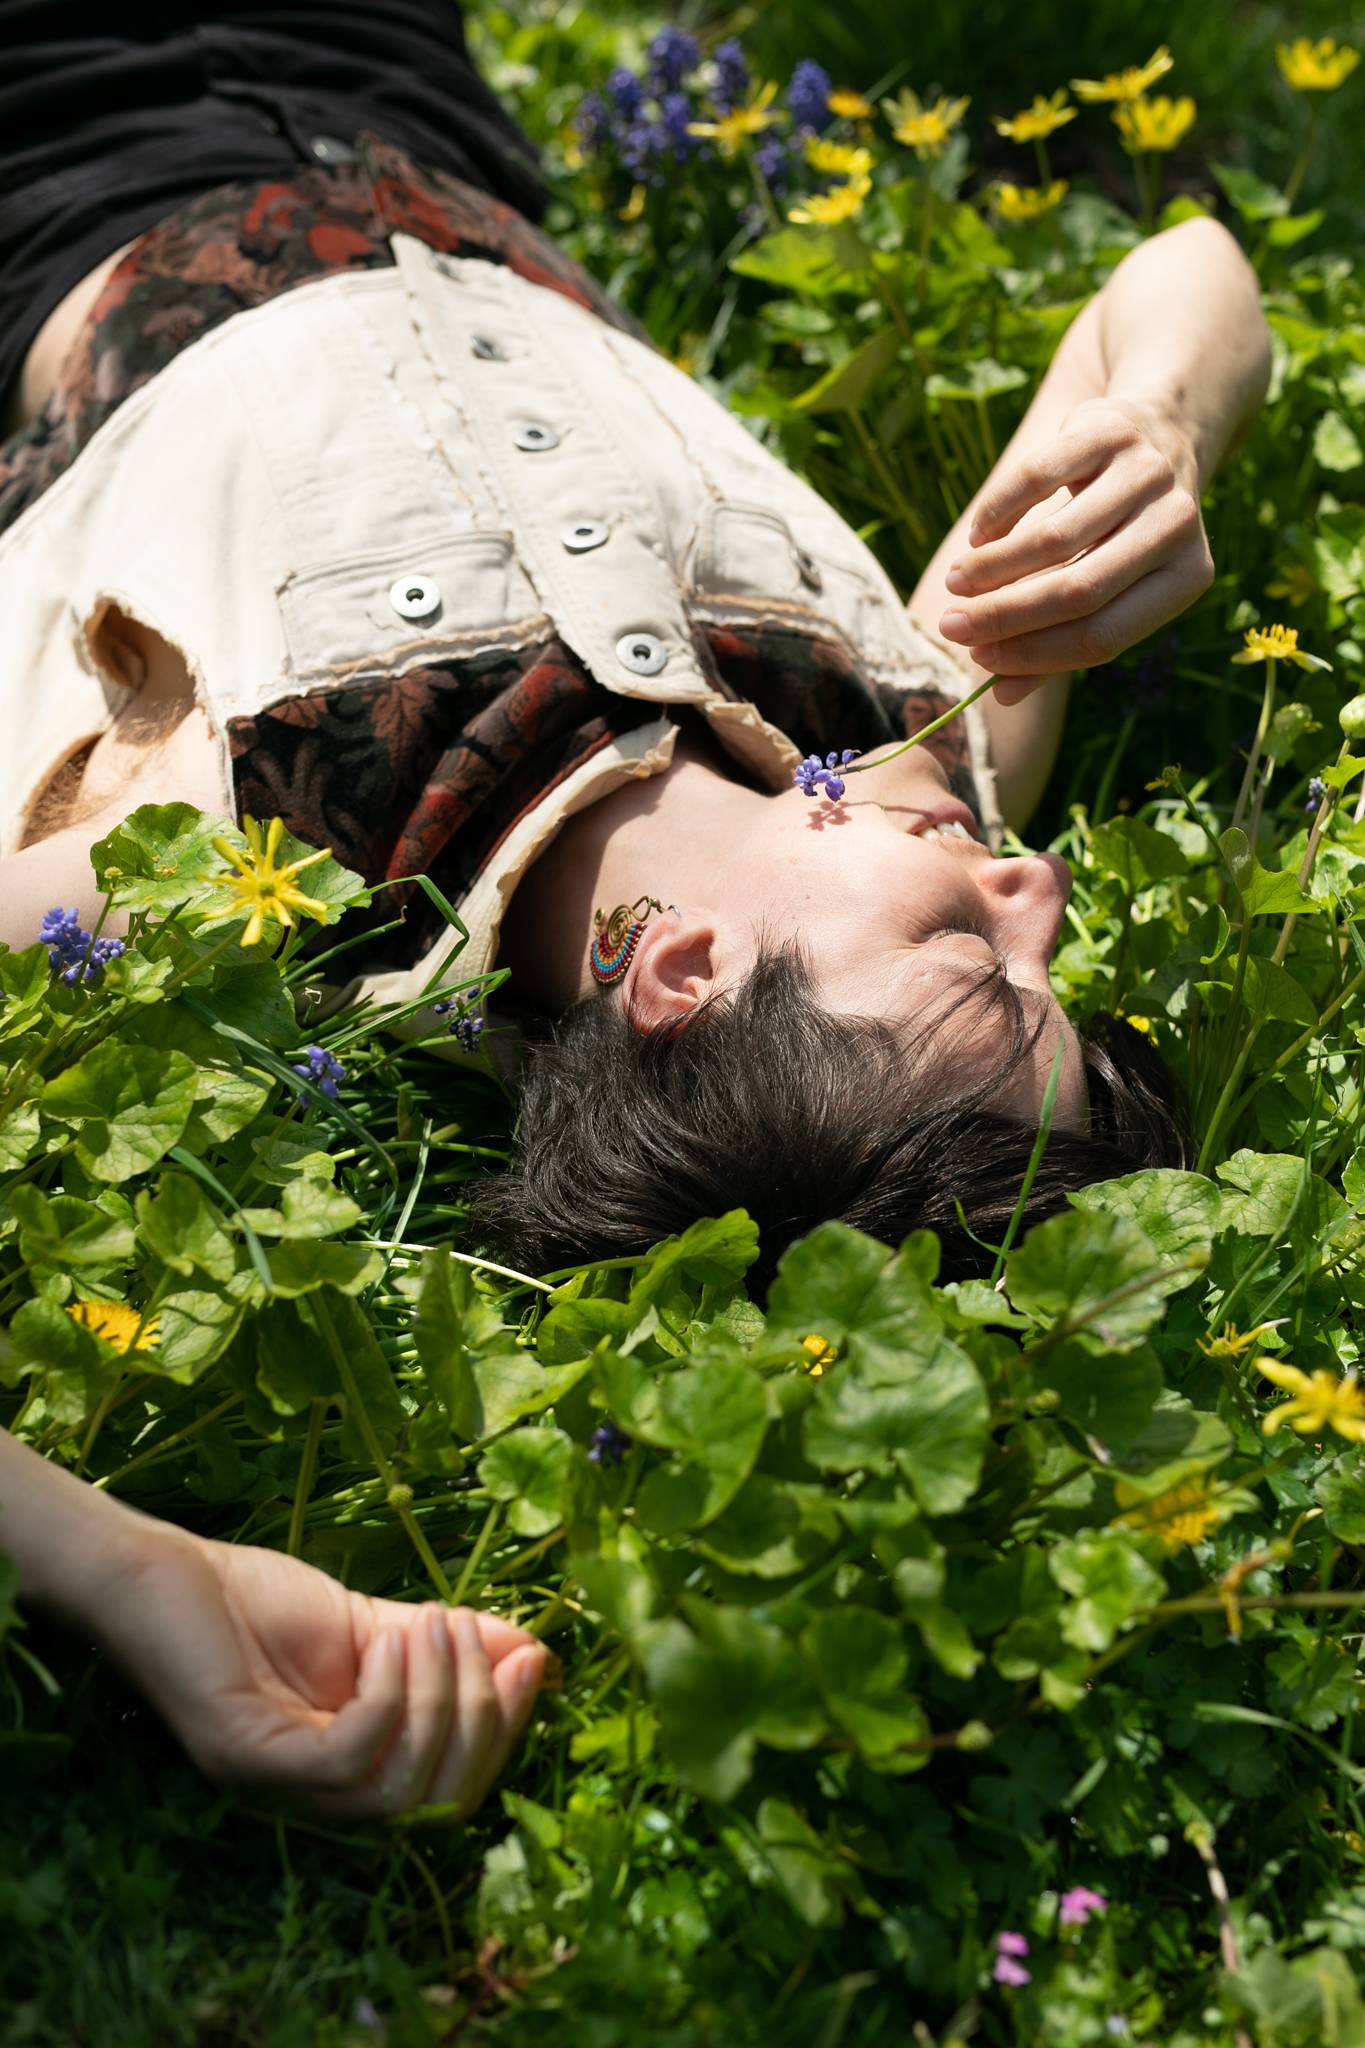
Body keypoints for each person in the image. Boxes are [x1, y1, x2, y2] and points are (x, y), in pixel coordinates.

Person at [0, 4, 1271, 1817]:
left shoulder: (230, 858)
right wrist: (1156, 425)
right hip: (404, 89)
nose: (1035, 883)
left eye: (963, 952)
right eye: (1040, 946)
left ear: (680, 974)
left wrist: (131, 1568)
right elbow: (1189, 265)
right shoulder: (905, 742)